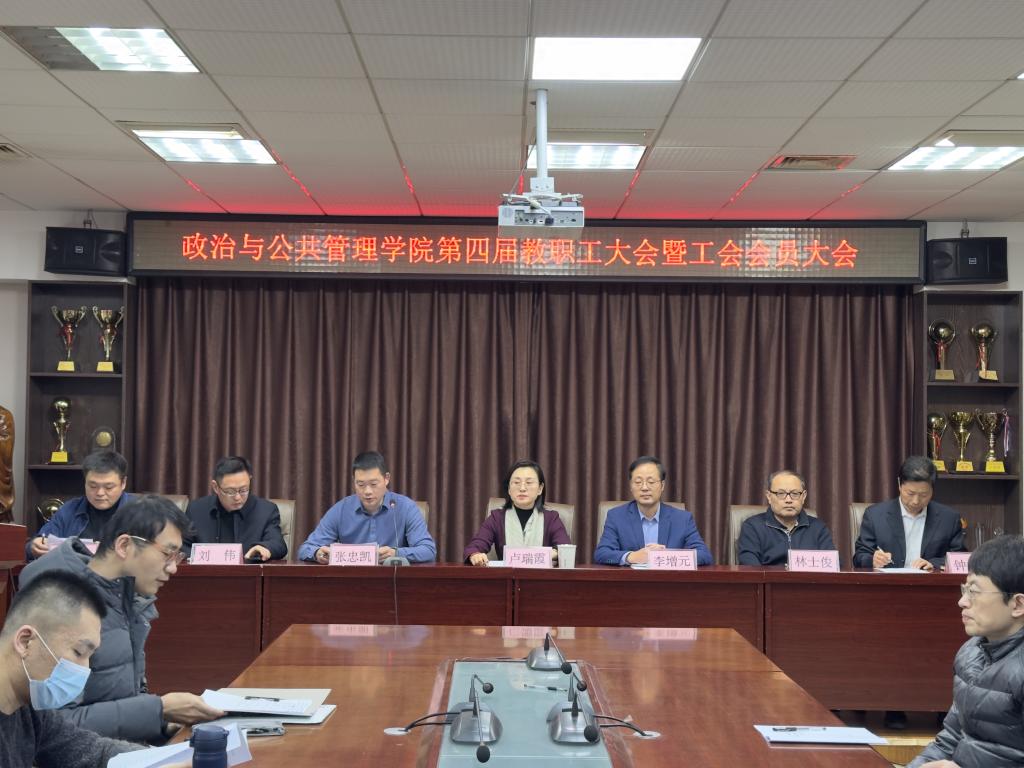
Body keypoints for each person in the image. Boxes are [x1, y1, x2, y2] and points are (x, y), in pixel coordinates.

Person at [19, 496, 224, 742]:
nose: (173, 568)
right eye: (167, 554)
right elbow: (54, 725)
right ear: (124, 545)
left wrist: (164, 723)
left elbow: (123, 697)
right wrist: (159, 709)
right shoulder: (61, 605)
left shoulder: (126, 597)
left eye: (177, 557)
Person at [0, 570, 145, 767]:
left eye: (90, 657)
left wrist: (163, 759)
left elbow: (94, 752)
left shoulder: (31, 707)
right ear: (26, 642)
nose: (85, 669)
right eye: (79, 652)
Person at [907, 535, 1024, 768]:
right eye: (965, 589)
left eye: (974, 592)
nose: (962, 601)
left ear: (1018, 604)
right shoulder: (971, 653)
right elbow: (950, 739)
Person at [298, 451, 436, 563]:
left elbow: (428, 550)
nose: (367, 491)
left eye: (373, 484)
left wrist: (396, 553)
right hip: (351, 581)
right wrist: (317, 553)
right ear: (354, 482)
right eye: (361, 485)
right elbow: (305, 549)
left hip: (394, 581)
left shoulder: (406, 507)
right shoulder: (341, 510)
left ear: (386, 479)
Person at [853, 455, 967, 571]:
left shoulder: (949, 518)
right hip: (889, 581)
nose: (916, 501)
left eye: (923, 495)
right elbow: (859, 556)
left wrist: (934, 564)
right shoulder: (875, 515)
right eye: (910, 493)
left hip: (929, 581)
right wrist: (872, 560)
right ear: (899, 484)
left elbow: (960, 557)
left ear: (932, 489)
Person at [594, 455, 713, 566]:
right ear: (631, 486)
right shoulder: (616, 517)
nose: (644, 488)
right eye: (638, 482)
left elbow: (704, 556)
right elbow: (601, 554)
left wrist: (663, 556)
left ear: (662, 486)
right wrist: (631, 556)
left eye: (651, 482)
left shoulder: (682, 519)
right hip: (630, 580)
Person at [27, 450, 134, 560]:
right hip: (73, 570)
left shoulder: (139, 511)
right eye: (93, 486)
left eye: (108, 487)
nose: (100, 493)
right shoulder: (70, 510)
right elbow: (37, 543)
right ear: (85, 482)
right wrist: (34, 546)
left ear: (123, 483)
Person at [463, 459, 570, 565]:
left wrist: (550, 554)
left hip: (541, 576)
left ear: (540, 489)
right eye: (516, 482)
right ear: (509, 489)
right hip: (507, 576)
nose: (522, 488)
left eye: (529, 482)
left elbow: (565, 549)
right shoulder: (497, 517)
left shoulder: (551, 518)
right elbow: (475, 546)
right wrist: (475, 555)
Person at [183, 455, 287, 561]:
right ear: (216, 487)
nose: (238, 497)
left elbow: (278, 543)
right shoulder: (196, 510)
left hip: (248, 571)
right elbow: (182, 546)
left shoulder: (266, 510)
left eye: (243, 490)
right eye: (230, 492)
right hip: (206, 571)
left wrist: (265, 548)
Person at [737, 470, 836, 566]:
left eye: (795, 494)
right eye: (781, 494)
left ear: (803, 496)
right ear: (769, 496)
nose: (788, 500)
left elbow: (833, 565)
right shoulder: (753, 527)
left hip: (809, 578)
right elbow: (750, 567)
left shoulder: (818, 528)